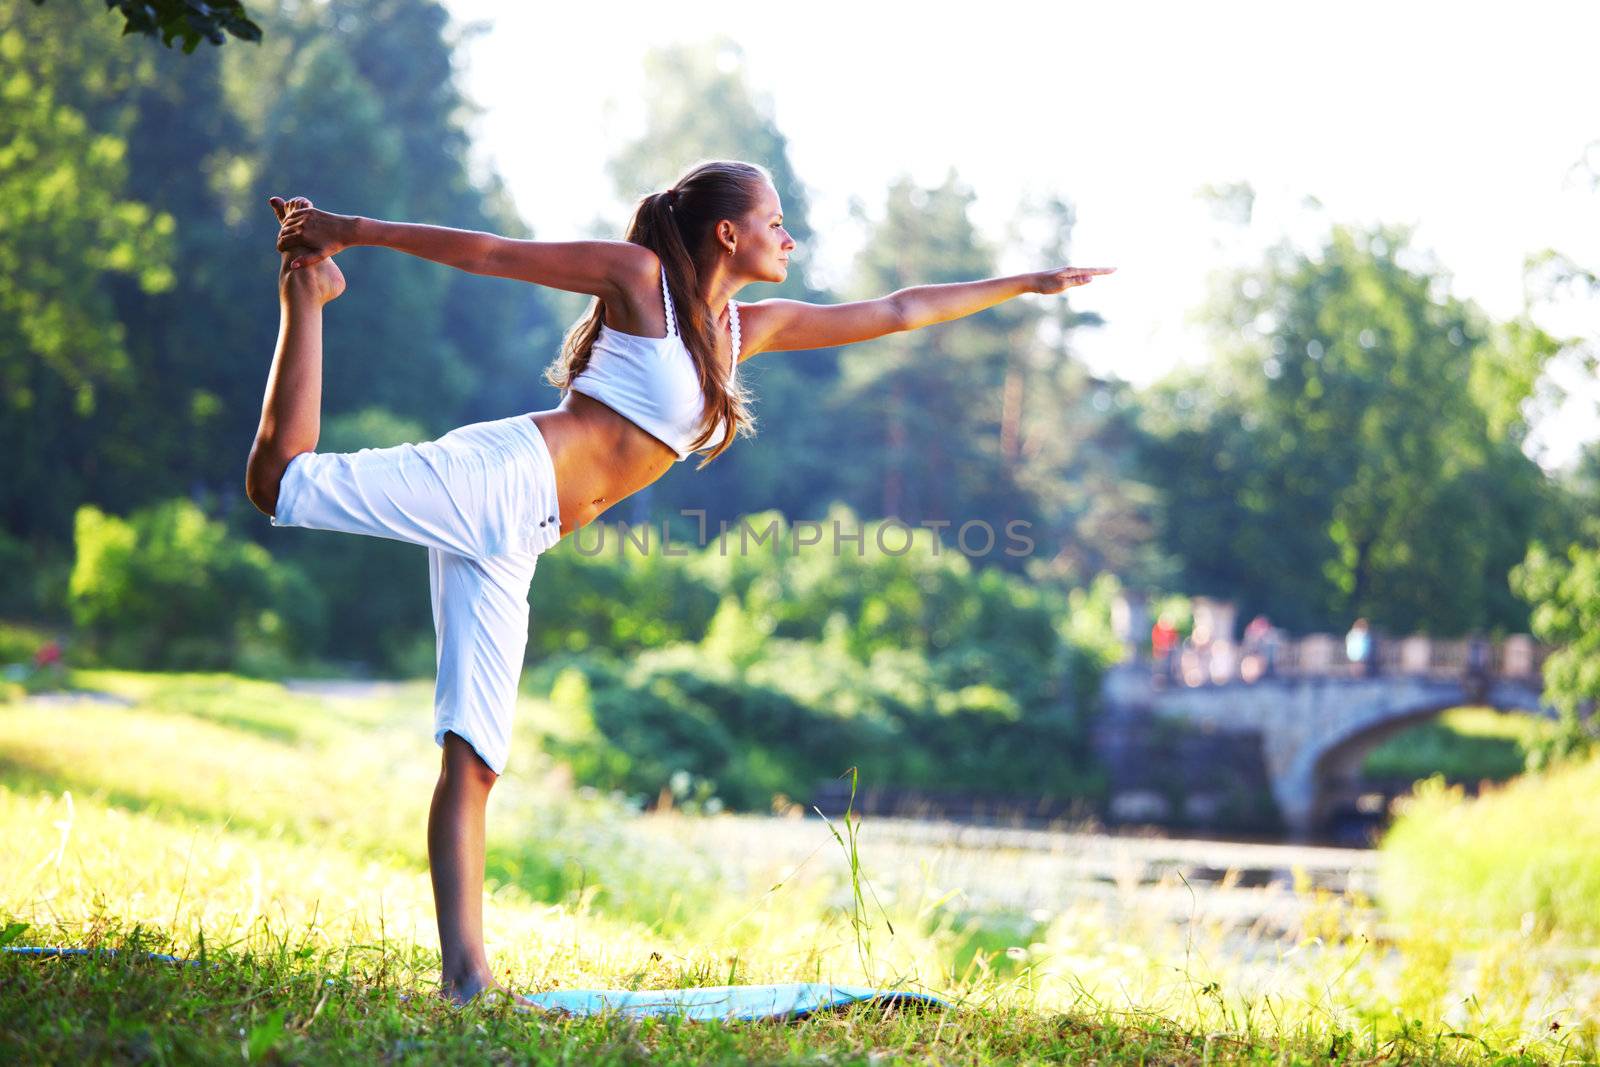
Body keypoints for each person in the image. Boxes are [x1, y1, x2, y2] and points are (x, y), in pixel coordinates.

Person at [248, 160, 1115, 1007]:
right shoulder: (638, 278)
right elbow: (492, 253)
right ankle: (307, 299)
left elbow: (894, 310)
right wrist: (348, 233)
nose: (790, 235)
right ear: (729, 231)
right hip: (503, 475)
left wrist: (1026, 283)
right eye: (777, 221)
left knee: (474, 757)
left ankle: (466, 979)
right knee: (279, 483)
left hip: (526, 536)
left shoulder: (743, 329)